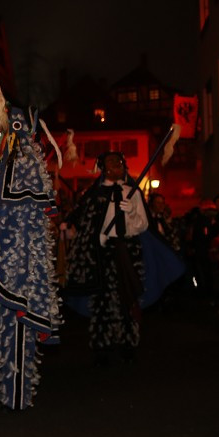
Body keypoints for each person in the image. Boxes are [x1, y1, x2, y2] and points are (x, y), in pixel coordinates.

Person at [0, 101, 61, 410]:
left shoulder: (22, 162)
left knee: (14, 330)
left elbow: (22, 221)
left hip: (15, 269)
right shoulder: (1, 165)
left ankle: (14, 395)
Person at [65, 151, 150, 366]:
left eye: (119, 162)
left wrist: (131, 212)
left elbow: (143, 225)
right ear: (104, 168)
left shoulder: (133, 192)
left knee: (127, 296)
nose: (117, 166)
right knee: (102, 299)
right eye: (112, 163)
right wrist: (97, 235)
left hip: (128, 248)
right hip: (103, 250)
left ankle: (127, 343)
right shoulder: (96, 194)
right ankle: (102, 344)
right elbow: (86, 218)